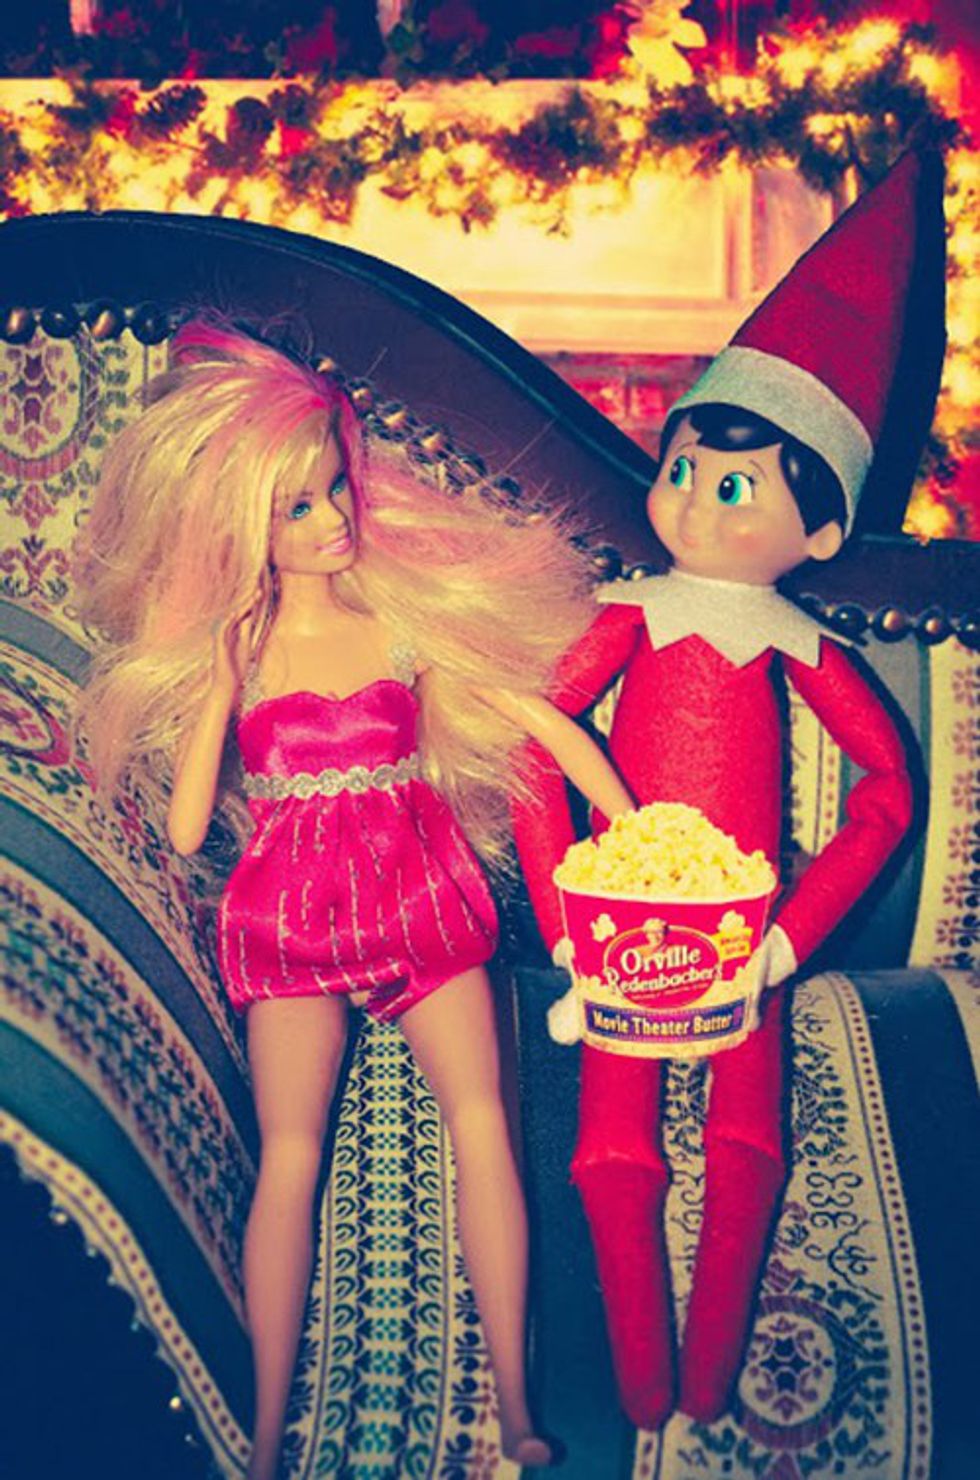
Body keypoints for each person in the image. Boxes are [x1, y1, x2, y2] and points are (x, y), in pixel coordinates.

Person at [73, 319, 634, 1480]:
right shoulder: (243, 654)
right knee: (290, 1153)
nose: (332, 520)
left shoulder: (394, 623)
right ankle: (263, 1425)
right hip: (291, 913)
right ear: (241, 525)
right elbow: (187, 832)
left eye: (337, 488)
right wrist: (219, 683)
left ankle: (516, 1399)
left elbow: (538, 721)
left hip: (418, 898)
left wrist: (630, 821)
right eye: (298, 507)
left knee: (481, 1123)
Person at [513, 148, 943, 1428]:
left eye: (735, 484)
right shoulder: (628, 614)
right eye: (685, 470)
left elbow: (885, 787)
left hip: (747, 923)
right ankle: (644, 1384)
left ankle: (702, 1377)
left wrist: (787, 938)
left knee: (744, 1131)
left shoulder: (800, 646)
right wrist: (563, 912)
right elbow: (532, 736)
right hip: (614, 923)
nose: (695, 502)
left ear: (820, 531)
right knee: (612, 1140)